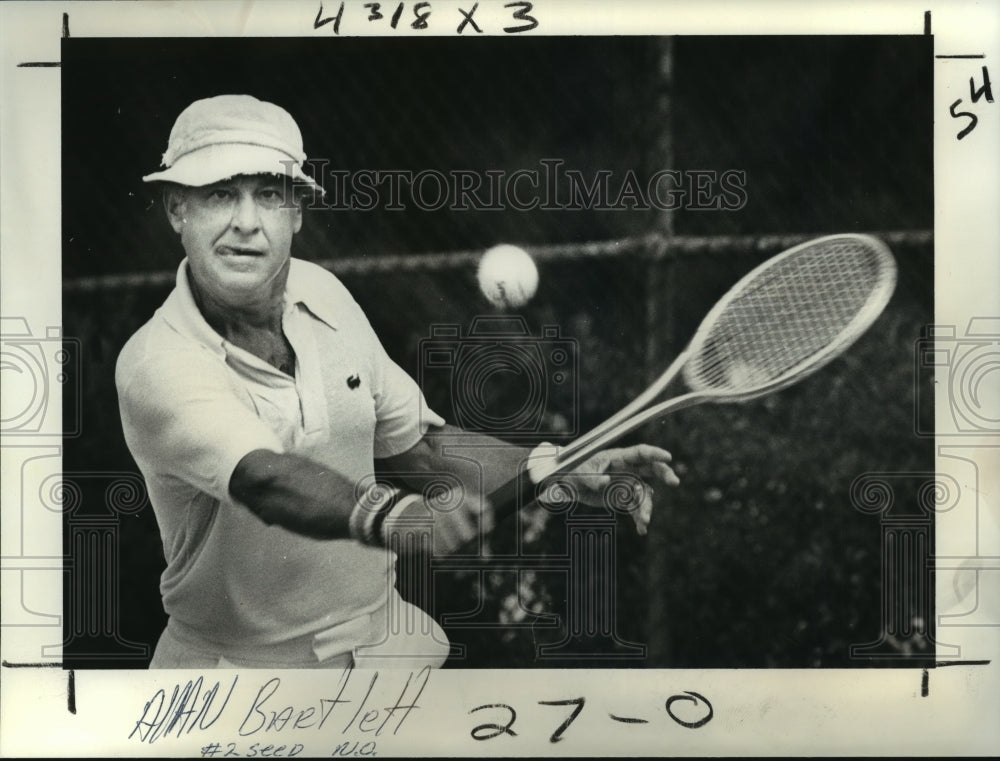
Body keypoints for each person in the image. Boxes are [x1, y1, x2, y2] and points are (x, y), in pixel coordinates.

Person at [116, 94, 680, 670]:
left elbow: (424, 449)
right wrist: (400, 517)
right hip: (240, 678)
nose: (246, 221)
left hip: (385, 643)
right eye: (218, 194)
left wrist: (557, 466)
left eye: (268, 194)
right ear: (176, 210)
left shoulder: (324, 294)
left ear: (297, 214)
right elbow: (266, 478)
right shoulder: (157, 363)